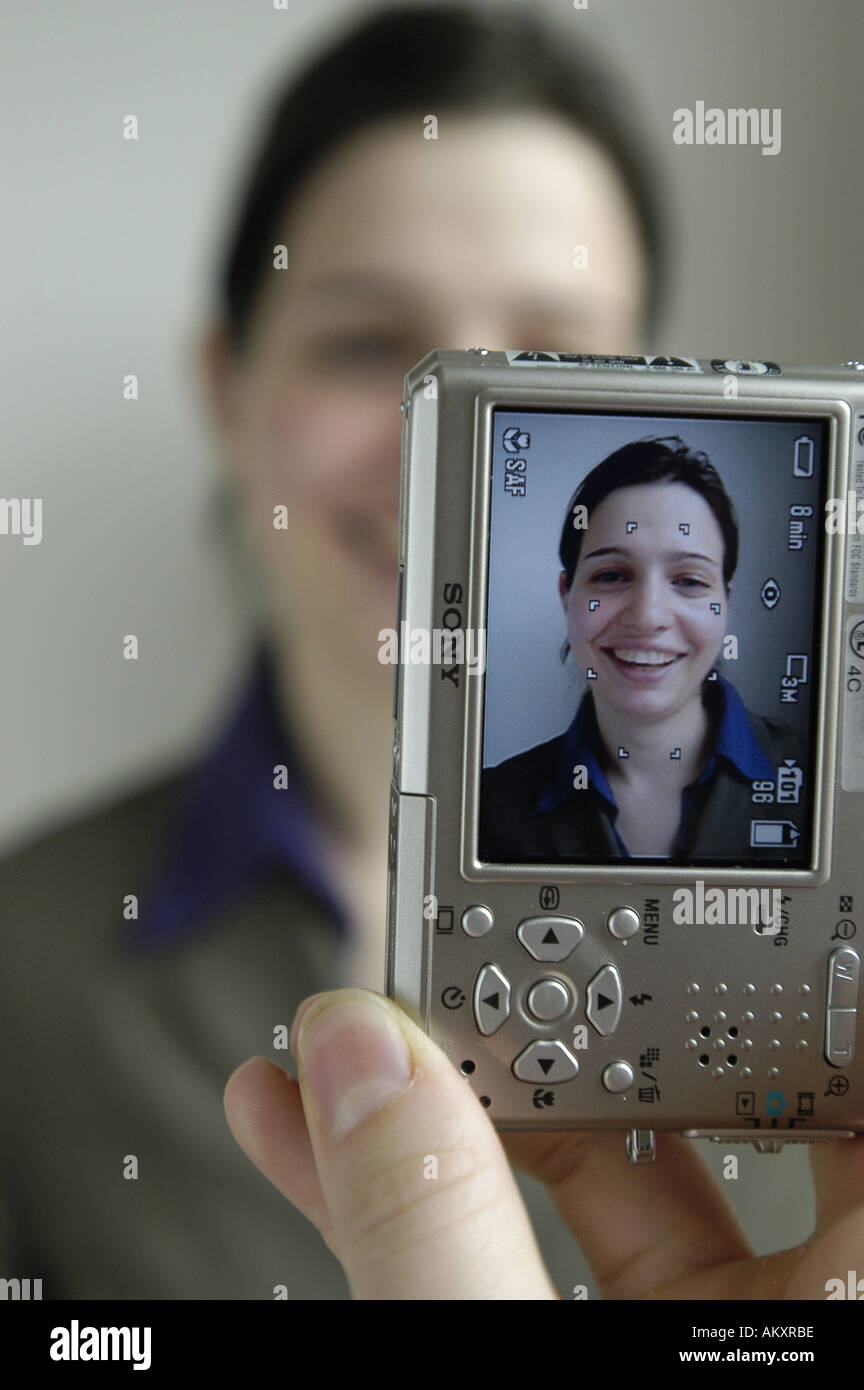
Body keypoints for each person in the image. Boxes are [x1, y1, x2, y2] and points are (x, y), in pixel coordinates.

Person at [2, 1, 860, 1302]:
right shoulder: (24, 957)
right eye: (367, 344)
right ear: (229, 389)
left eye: (553, 358)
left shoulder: (826, 974)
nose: (446, 456)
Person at [478, 437, 807, 864]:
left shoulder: (818, 773)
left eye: (689, 581)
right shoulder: (488, 808)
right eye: (612, 575)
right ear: (567, 595)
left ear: (724, 602)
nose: (648, 616)